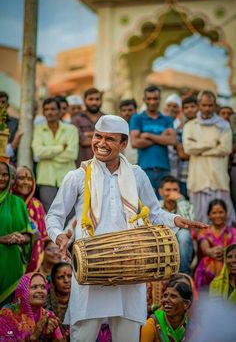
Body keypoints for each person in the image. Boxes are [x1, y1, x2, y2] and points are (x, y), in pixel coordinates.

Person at [46, 114, 207, 342]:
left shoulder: (137, 175)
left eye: (109, 139)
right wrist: (59, 234)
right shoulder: (78, 177)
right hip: (92, 269)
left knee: (128, 336)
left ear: (123, 144)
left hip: (132, 269)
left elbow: (153, 213)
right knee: (83, 336)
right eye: (98, 137)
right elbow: (54, 215)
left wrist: (175, 219)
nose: (101, 143)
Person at [183, 90, 236, 225]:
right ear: (199, 105)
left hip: (218, 179)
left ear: (215, 106)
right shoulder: (190, 126)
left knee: (224, 221)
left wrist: (200, 150)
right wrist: (212, 144)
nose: (207, 109)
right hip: (198, 180)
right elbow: (188, 148)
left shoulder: (223, 126)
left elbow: (225, 149)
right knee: (199, 221)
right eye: (204, 105)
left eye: (210, 105)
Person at [32, 97, 78, 212]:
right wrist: (60, 148)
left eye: (53, 109)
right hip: (46, 179)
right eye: (46, 109)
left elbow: (72, 154)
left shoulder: (71, 129)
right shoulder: (38, 129)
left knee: (69, 214)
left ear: (59, 111)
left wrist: (48, 154)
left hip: (67, 178)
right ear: (43, 112)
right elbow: (38, 152)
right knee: (50, 214)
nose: (50, 112)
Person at [130, 85, 176, 199]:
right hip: (145, 169)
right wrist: (161, 137)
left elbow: (173, 140)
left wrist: (148, 135)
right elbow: (135, 142)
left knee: (164, 206)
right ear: (144, 100)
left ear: (160, 100)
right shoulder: (137, 118)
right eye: (149, 99)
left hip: (164, 169)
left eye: (155, 98)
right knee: (145, 207)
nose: (152, 101)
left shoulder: (167, 119)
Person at [0, 161, 33, 307]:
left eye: (5, 175)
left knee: (9, 314)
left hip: (12, 265)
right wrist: (3, 239)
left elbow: (29, 234)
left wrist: (22, 238)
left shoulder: (18, 203)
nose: (2, 178)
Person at [0, 273, 64, 341]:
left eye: (43, 287)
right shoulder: (7, 316)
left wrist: (52, 335)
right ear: (23, 291)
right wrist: (32, 337)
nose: (40, 291)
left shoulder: (48, 316)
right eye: (34, 287)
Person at [13, 166, 47, 272]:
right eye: (21, 178)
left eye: (29, 179)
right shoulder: (7, 203)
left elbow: (42, 235)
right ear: (13, 180)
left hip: (33, 261)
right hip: (10, 257)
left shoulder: (37, 205)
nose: (26, 182)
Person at [195, 199, 236, 289]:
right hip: (207, 269)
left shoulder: (233, 232)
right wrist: (209, 251)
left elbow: (233, 249)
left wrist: (224, 252)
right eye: (214, 213)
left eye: (221, 212)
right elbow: (204, 243)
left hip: (229, 266)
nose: (218, 215)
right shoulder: (204, 231)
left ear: (226, 213)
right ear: (209, 215)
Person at [159, 175, 194, 274]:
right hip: (163, 240)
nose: (172, 193)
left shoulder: (187, 205)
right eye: (168, 190)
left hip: (183, 241)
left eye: (175, 189)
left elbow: (189, 225)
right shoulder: (156, 207)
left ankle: (183, 273)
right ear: (161, 192)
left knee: (184, 235)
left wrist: (180, 201)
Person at [71, 87, 104, 167]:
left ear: (101, 101)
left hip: (103, 165)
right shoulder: (76, 120)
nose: (94, 102)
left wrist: (89, 134)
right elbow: (83, 141)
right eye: (91, 99)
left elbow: (111, 141)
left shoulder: (107, 119)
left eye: (97, 99)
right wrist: (102, 137)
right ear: (85, 100)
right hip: (83, 166)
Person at [175, 95, 198, 197]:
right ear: (182, 110)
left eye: (192, 107)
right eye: (186, 108)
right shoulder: (180, 130)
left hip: (201, 175)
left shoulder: (204, 128)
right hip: (184, 175)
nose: (189, 110)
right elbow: (182, 154)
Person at [46, 262, 72, 340]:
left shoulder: (81, 303)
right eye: (61, 277)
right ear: (53, 281)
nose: (66, 280)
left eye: (70, 276)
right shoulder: (45, 304)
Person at [0, 91, 23, 164]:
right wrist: (12, 145)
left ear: (8, 105)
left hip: (10, 164)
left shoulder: (16, 123)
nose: (0, 105)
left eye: (3, 102)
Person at [119, 98, 138, 164]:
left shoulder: (142, 128)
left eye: (130, 110)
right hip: (124, 167)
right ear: (120, 113)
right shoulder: (117, 131)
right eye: (124, 110)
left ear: (136, 111)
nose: (127, 113)